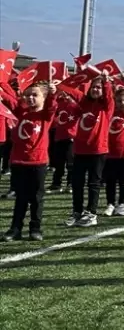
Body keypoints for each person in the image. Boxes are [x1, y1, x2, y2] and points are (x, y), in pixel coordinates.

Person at [1, 78, 57, 241]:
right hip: (19, 162)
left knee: (36, 198)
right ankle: (15, 229)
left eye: (35, 95)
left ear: (43, 98)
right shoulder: (20, 111)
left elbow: (52, 107)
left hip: (38, 163)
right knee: (21, 198)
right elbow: (9, 98)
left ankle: (35, 228)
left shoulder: (45, 115)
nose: (30, 98)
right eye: (27, 95)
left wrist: (53, 94)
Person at [57, 74, 115, 227]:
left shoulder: (106, 106)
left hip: (98, 150)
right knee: (77, 183)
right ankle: (77, 212)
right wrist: (60, 85)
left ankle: (91, 213)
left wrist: (106, 82)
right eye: (93, 87)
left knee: (93, 183)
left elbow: (109, 96)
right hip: (80, 150)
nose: (96, 89)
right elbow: (74, 93)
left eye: (99, 87)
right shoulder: (83, 103)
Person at [103, 86, 124, 217]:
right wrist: (108, 84)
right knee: (110, 180)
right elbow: (107, 100)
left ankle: (121, 204)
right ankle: (110, 204)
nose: (122, 103)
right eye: (119, 101)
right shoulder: (110, 114)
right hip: (110, 153)